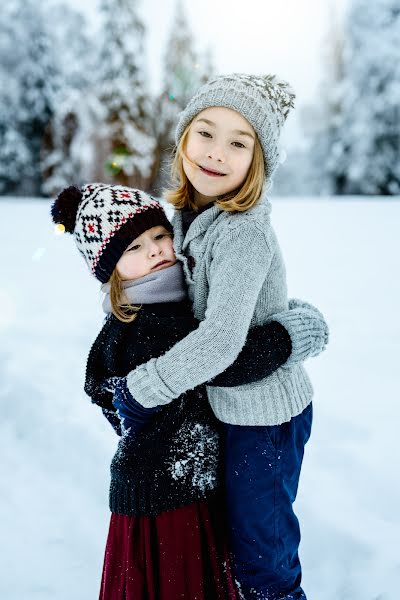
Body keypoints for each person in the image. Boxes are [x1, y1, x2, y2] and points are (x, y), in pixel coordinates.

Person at [51, 182, 327, 600]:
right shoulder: (148, 323)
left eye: (160, 236)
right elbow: (224, 357)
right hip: (169, 494)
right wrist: (296, 331)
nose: (155, 251)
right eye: (134, 248)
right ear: (111, 273)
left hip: (174, 482)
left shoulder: (169, 306)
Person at [118, 74, 329, 599]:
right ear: (184, 137)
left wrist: (145, 387)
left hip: (264, 418)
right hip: (227, 408)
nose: (216, 153)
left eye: (239, 143)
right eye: (205, 133)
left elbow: (221, 341)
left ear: (258, 163)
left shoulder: (242, 230)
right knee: (227, 544)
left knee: (261, 557)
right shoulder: (190, 217)